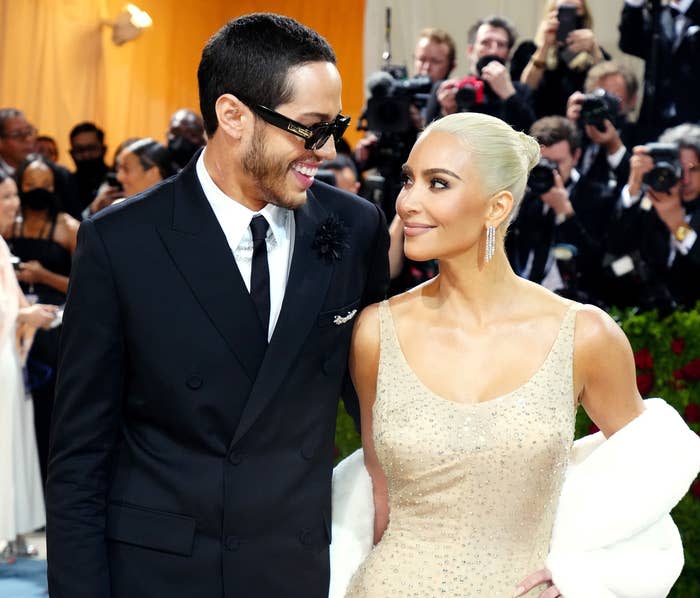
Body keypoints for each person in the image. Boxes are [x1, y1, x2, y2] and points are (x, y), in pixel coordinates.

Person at [46, 12, 389, 598]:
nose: (327, 150)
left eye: (335, 125)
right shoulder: (121, 242)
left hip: (294, 566)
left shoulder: (354, 227)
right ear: (232, 115)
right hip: (160, 572)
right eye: (309, 127)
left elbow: (379, 407)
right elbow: (80, 453)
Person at [334, 112, 698, 597]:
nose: (408, 202)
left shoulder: (584, 335)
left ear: (497, 206)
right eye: (408, 180)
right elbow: (378, 499)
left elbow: (649, 476)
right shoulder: (374, 332)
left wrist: (587, 579)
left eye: (437, 183)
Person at [4, 155, 78, 487]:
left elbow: (87, 284)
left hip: (52, 325)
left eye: (45, 186)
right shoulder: (9, 223)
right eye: (30, 186)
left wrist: (44, 276)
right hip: (12, 323)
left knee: (48, 406)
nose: (38, 192)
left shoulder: (68, 226)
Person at [0, 171, 57, 563]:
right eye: (4, 198)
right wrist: (22, 317)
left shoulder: (1, 246)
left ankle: (12, 529)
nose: (14, 205)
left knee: (14, 440)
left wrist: (36, 315)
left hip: (8, 358)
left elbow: (17, 304)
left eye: (13, 197)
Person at [424, 16, 536, 133]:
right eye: (485, 43)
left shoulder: (521, 92)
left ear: (508, 54)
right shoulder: (448, 90)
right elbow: (428, 142)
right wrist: (447, 112)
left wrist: (509, 95)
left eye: (501, 45)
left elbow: (533, 138)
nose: (493, 51)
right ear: (470, 50)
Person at [619, 0, 700, 142]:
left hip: (694, 118)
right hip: (657, 120)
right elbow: (629, 43)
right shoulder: (659, 14)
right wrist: (634, 5)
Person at [511, 0, 607, 118]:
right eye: (563, 9)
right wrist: (544, 46)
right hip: (536, 124)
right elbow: (524, 90)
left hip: (581, 126)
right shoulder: (528, 49)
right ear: (551, 14)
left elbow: (607, 92)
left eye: (574, 9)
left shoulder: (595, 52)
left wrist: (594, 50)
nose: (567, 16)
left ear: (584, 16)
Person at [67, 122, 110, 218]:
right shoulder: (66, 185)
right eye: (80, 150)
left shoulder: (119, 179)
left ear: (103, 149)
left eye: (91, 148)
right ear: (72, 154)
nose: (86, 155)